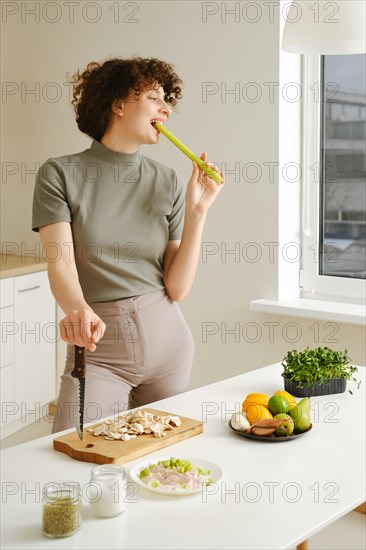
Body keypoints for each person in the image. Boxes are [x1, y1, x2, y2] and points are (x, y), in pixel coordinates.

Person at [32, 57, 225, 433]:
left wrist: (198, 211)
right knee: (75, 450)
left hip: (169, 345)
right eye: (153, 97)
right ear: (118, 104)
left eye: (166, 99)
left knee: (159, 459)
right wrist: (77, 308)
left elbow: (178, 288)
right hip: (99, 349)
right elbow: (61, 263)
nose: (165, 108)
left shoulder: (167, 181)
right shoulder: (59, 174)